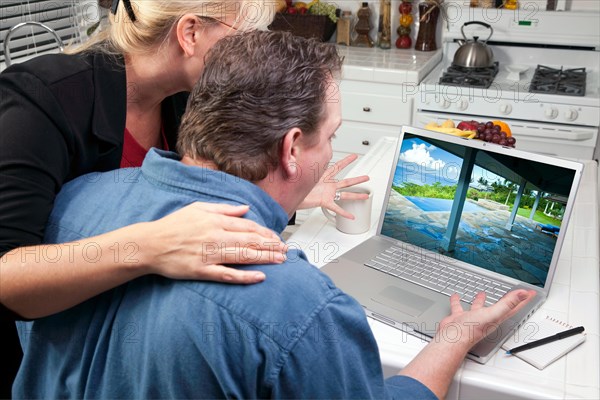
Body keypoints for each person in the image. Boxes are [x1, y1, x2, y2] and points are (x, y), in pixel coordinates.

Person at [13, 30, 536, 399]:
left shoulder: (74, 202)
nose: (331, 149)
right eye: (330, 136)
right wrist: (454, 337)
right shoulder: (301, 308)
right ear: (290, 149)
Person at [0, 1, 366, 395]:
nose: (252, 51)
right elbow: (7, 276)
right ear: (190, 33)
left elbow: (202, 182)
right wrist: (151, 245)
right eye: (243, 36)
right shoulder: (42, 100)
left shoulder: (184, 96)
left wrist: (290, 192)